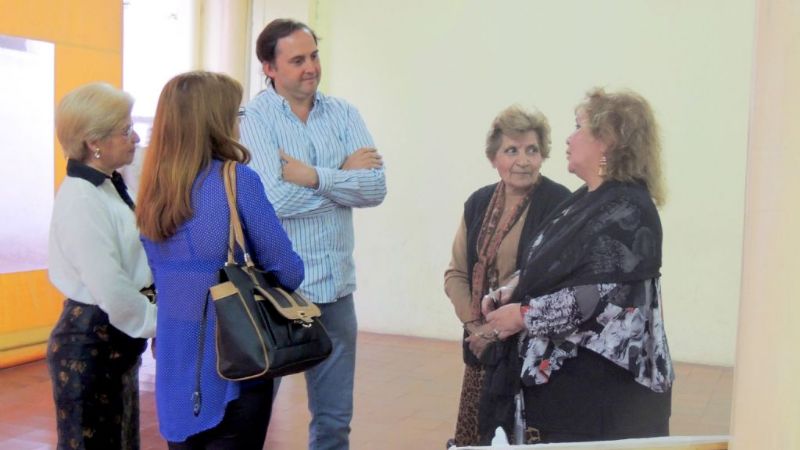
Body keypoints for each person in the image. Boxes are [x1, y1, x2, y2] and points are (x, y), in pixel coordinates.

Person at [485, 88, 674, 443]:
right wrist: (513, 287)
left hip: (604, 395)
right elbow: (554, 261)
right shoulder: (589, 200)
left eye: (578, 127)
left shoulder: (628, 211)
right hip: (569, 388)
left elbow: (597, 298)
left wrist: (522, 315)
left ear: (609, 141)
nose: (569, 138)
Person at [136, 71, 304, 449]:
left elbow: (155, 279)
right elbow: (289, 272)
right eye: (235, 112)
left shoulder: (151, 191)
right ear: (216, 121)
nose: (238, 121)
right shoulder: (237, 180)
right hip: (235, 363)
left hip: (174, 362)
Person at [239, 18, 387, 450]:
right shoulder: (253, 117)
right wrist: (342, 178)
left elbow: (376, 189)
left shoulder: (344, 113)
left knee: (334, 423)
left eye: (314, 56)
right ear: (269, 67)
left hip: (336, 291)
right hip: (277, 293)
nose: (311, 68)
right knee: (253, 419)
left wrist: (311, 176)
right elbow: (272, 201)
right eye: (297, 60)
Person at [444, 106, 570, 446]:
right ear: (493, 158)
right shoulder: (478, 203)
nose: (523, 160)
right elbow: (456, 273)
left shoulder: (560, 203)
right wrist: (476, 327)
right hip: (482, 347)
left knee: (521, 437)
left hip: (532, 350)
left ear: (543, 154)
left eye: (531, 150)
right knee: (478, 436)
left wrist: (499, 327)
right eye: (511, 150)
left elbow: (558, 280)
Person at [47, 82, 157, 449]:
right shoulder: (81, 198)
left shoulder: (109, 184)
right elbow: (109, 285)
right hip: (90, 342)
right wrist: (159, 322)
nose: (135, 136)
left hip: (113, 338)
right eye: (125, 130)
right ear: (95, 142)